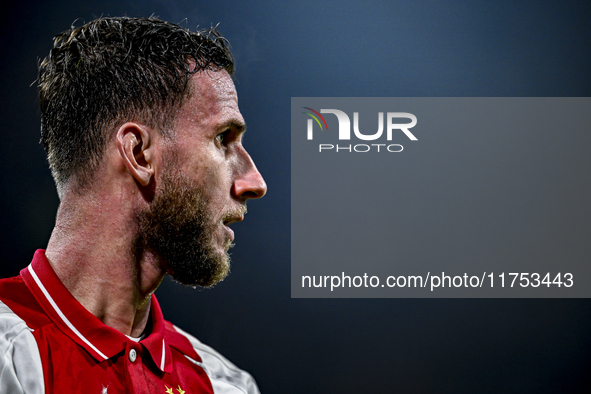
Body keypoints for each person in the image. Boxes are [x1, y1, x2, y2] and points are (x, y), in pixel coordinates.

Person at [0, 16, 266, 393]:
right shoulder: (7, 357)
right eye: (223, 138)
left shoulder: (226, 386)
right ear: (139, 153)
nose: (254, 182)